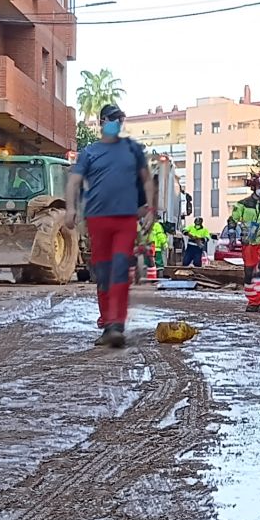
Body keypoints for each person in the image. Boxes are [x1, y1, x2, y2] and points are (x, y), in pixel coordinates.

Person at [65, 104, 153, 349]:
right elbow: (73, 182)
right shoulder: (90, 153)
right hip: (98, 220)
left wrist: (149, 209)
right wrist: (70, 208)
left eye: (120, 119)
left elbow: (145, 180)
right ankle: (107, 322)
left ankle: (116, 325)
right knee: (103, 274)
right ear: (102, 121)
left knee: (119, 270)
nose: (116, 123)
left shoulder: (133, 150)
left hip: (125, 219)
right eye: (113, 119)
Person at [228, 182, 260, 306]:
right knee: (249, 272)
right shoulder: (243, 204)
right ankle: (252, 301)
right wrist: (232, 235)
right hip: (249, 241)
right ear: (254, 188)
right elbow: (232, 220)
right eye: (259, 187)